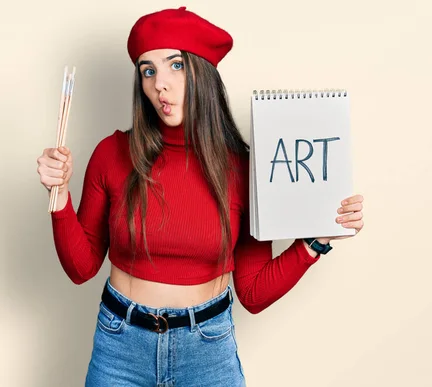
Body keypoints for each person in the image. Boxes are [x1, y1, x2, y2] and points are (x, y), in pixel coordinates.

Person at [37, 6, 364, 387]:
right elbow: (81, 268)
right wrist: (58, 195)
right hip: (119, 347)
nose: (160, 83)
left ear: (202, 72)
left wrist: (317, 240)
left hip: (207, 350)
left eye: (175, 65)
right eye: (148, 70)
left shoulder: (244, 168)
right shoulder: (111, 154)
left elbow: (254, 292)